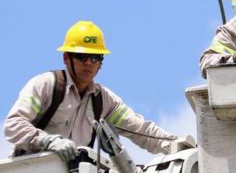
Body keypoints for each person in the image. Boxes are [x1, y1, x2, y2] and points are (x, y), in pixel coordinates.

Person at [4, 21, 180, 161]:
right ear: (66, 58)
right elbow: (13, 125)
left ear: (101, 62)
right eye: (81, 57)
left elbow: (141, 130)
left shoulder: (103, 100)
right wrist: (47, 141)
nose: (89, 63)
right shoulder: (46, 85)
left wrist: (177, 146)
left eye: (95, 57)